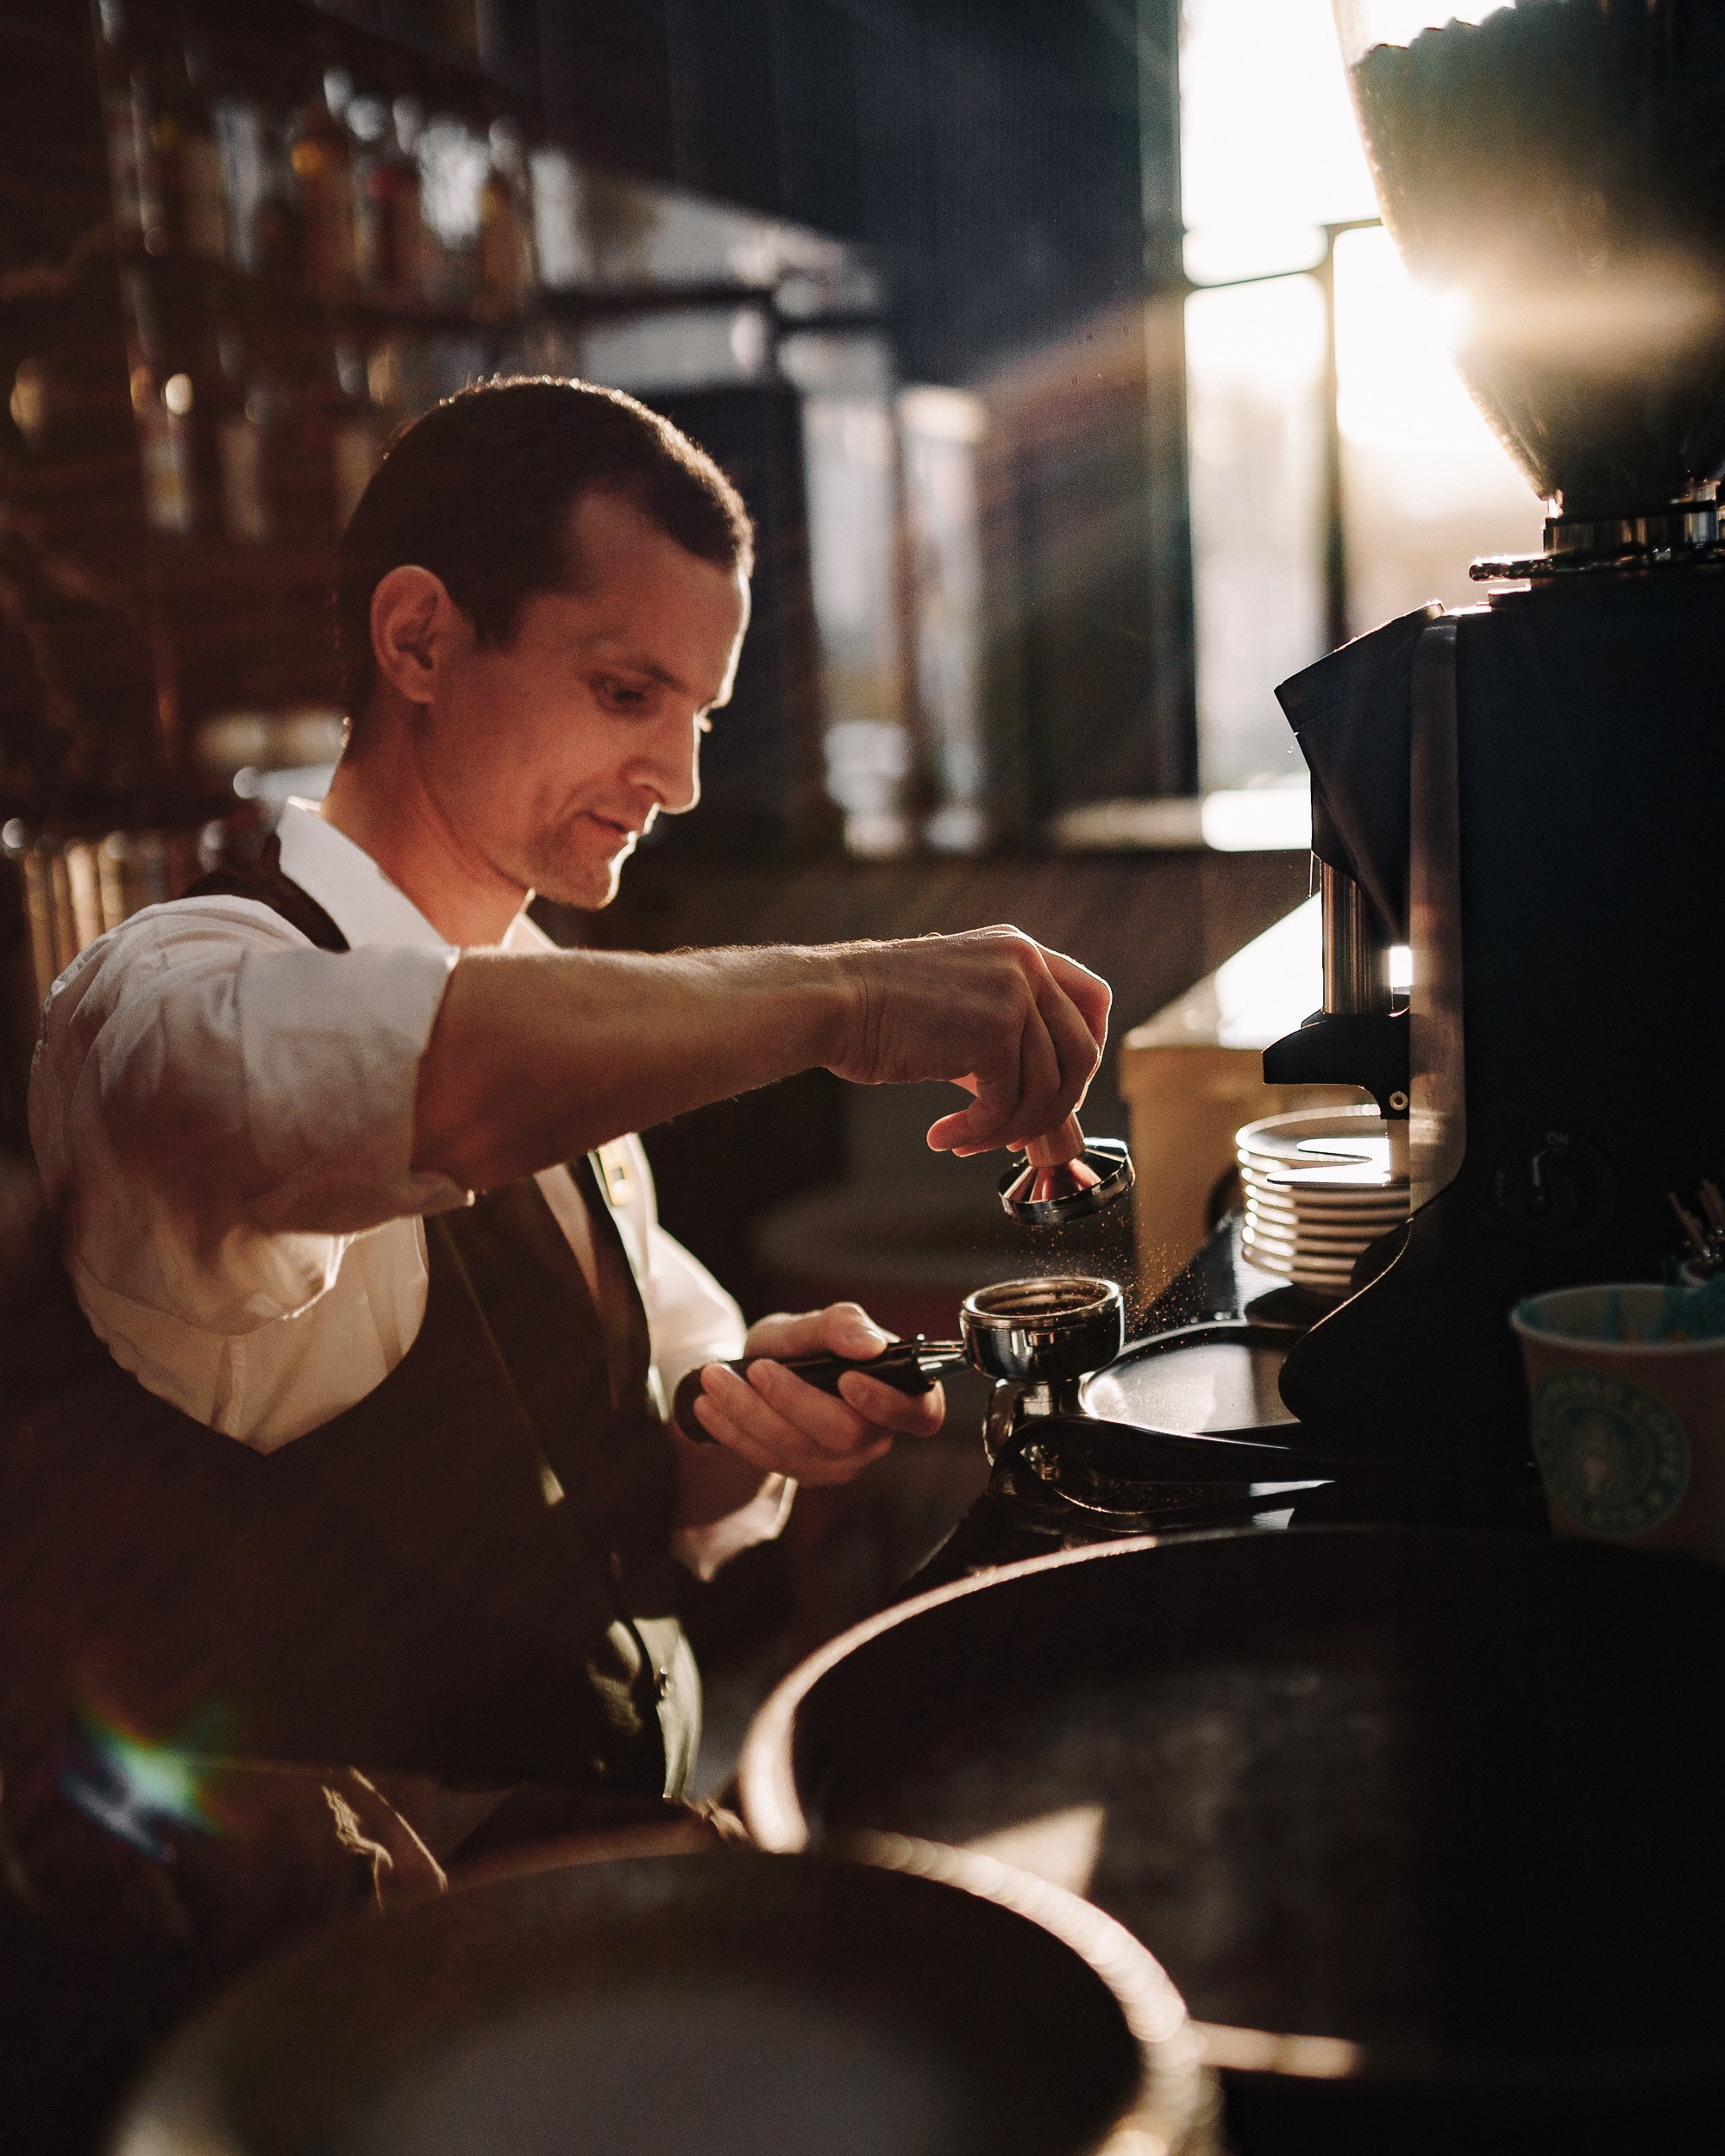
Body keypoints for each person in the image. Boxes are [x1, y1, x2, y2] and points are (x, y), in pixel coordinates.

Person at [24, 377, 1109, 1814]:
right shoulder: (153, 1001)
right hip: (346, 1973)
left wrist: (740, 1419)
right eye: (625, 693)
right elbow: (404, 1079)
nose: (680, 778)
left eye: (702, 713)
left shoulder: (544, 991)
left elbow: (653, 1456)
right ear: (418, 639)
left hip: (597, 1871)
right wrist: (848, 997)